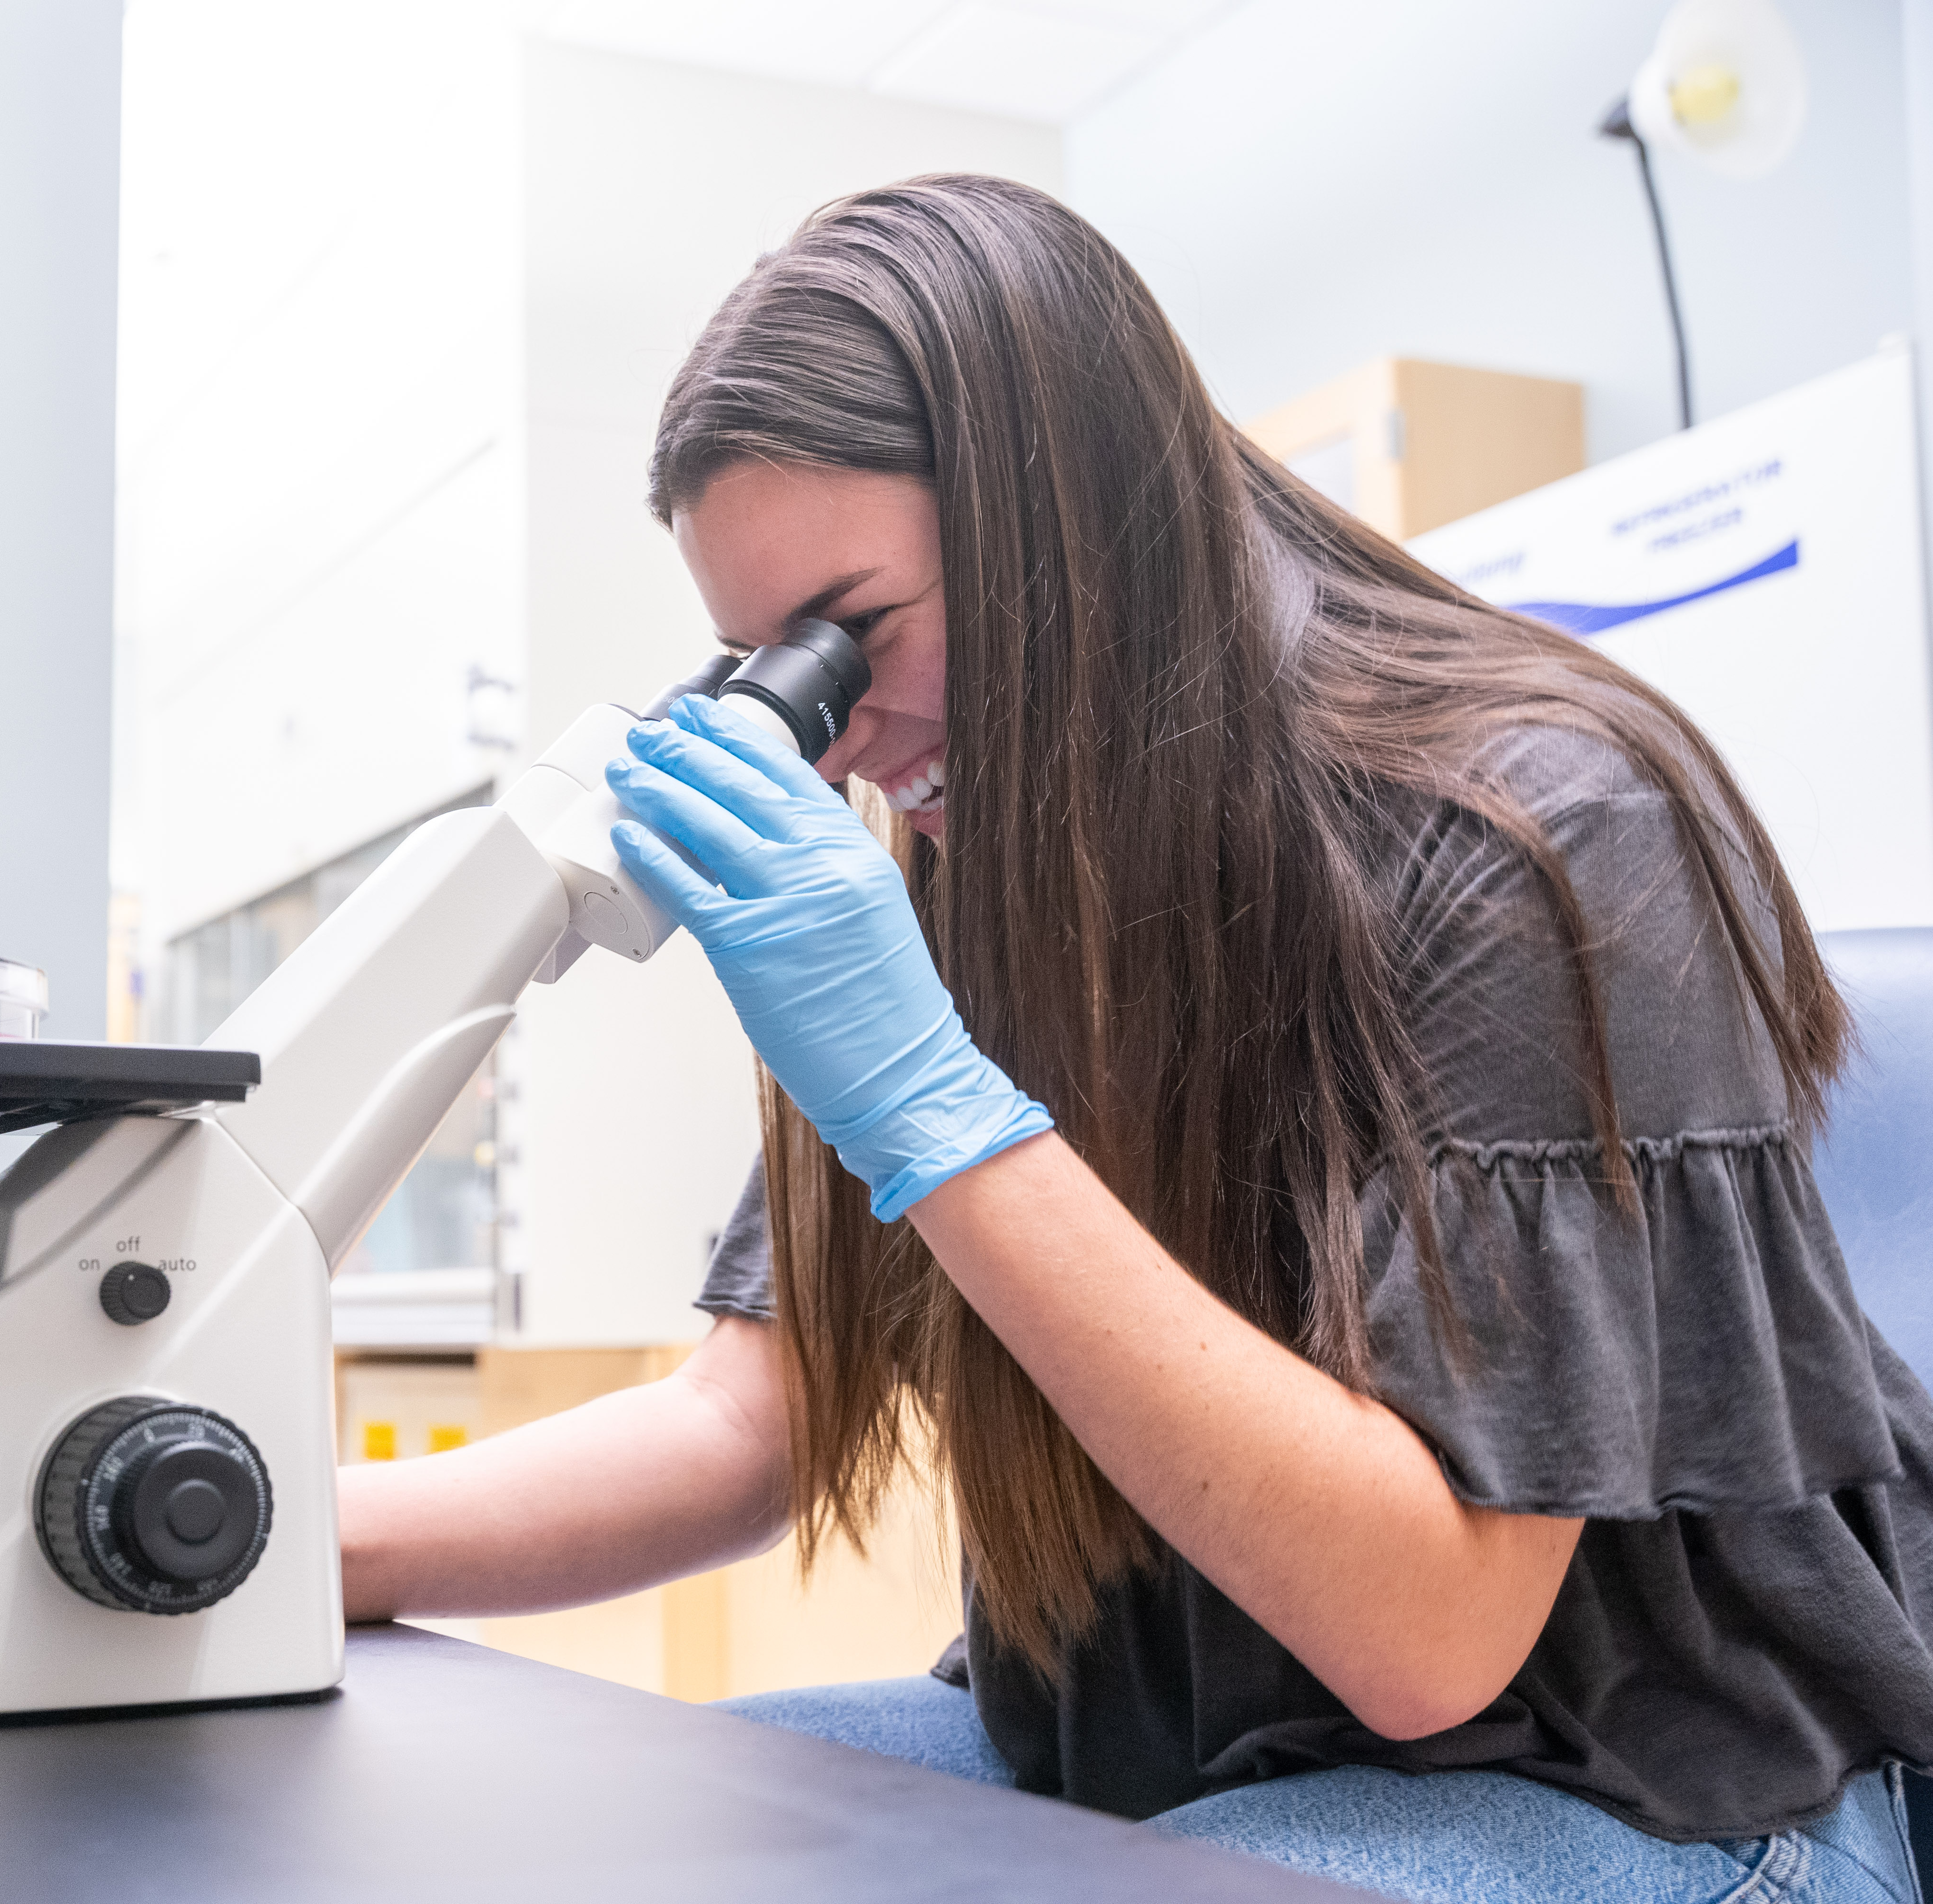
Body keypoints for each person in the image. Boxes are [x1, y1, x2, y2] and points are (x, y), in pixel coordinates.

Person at [336, 175, 1933, 1901]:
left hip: (1641, 1786)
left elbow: (1433, 1643)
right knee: (579, 1845)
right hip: (1148, 1752)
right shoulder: (976, 865)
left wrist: (931, 1106)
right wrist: (260, 1550)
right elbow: (750, 1424)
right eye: (767, 666)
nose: (840, 735)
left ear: (1073, 530)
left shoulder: (1529, 829)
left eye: (855, 635)